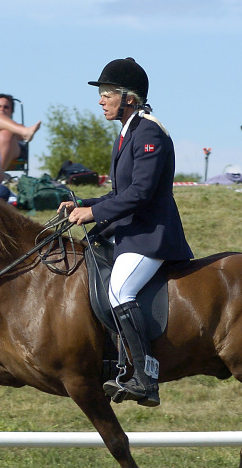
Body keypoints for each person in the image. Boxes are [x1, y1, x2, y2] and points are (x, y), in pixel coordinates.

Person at [58, 58, 193, 408]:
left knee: (120, 289)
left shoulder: (148, 131)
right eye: (101, 94)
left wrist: (94, 213)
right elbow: (120, 194)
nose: (101, 101)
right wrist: (82, 204)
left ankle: (146, 377)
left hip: (151, 234)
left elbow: (140, 193)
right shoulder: (127, 132)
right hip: (132, 231)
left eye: (107, 94)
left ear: (128, 98)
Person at [0, 93, 41, 172]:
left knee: (5, 133)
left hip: (12, 151)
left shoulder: (18, 126)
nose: (1, 109)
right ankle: (25, 132)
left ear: (12, 111)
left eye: (6, 107)